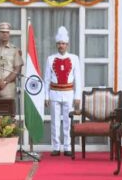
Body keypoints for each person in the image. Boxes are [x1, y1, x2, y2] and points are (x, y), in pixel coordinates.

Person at [44, 26, 81, 157]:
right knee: (54, 122)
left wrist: (77, 97)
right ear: (56, 44)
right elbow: (46, 79)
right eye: (59, 43)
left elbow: (78, 79)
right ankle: (55, 147)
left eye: (63, 43)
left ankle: (67, 146)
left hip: (69, 93)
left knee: (67, 122)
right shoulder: (50, 59)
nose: (61, 46)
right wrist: (46, 96)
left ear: (67, 44)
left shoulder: (74, 58)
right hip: (54, 93)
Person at [0, 22, 23, 98]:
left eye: (7, 32)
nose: (5, 34)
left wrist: (5, 82)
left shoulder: (15, 50)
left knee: (8, 109)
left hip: (8, 88)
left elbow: (17, 69)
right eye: (2, 32)